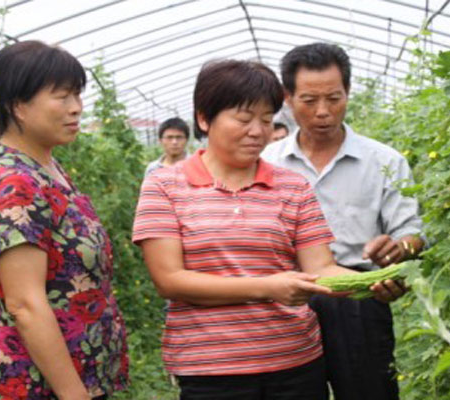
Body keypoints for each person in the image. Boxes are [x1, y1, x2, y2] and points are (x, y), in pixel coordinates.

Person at [132, 59, 405, 400]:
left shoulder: (293, 187)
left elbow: (319, 268)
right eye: (244, 119)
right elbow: (169, 280)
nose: (258, 131)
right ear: (204, 118)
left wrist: (370, 285)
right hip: (211, 370)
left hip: (296, 364)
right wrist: (268, 287)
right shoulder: (164, 185)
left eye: (266, 120)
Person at [261, 43, 425, 400]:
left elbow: (412, 233)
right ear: (288, 98)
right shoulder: (266, 162)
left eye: (334, 98)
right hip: (286, 300)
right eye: (308, 100)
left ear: (348, 93)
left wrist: (399, 250)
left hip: (360, 295)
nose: (323, 112)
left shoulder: (384, 160)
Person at [0, 40, 128, 400]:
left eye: (78, 96)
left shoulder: (45, 167)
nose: (76, 109)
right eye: (63, 97)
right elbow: (25, 305)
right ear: (18, 106)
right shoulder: (12, 182)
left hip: (76, 377)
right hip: (43, 387)